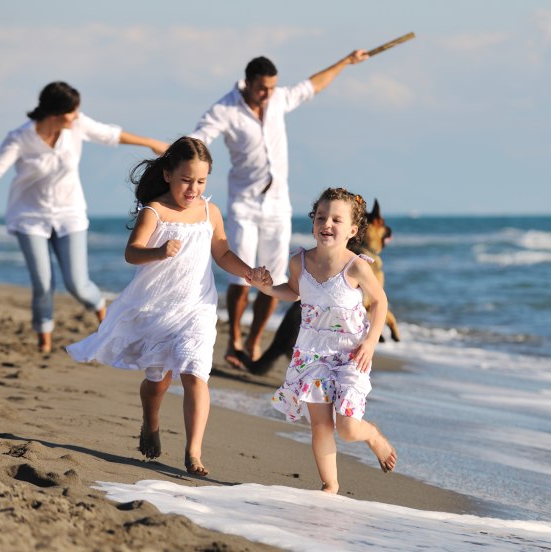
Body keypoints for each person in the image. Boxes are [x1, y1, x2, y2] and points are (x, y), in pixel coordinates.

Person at [67, 137, 261, 477]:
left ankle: (193, 453)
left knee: (195, 373)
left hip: (197, 309)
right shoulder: (154, 211)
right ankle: (150, 421)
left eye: (201, 181)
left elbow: (223, 253)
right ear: (169, 174)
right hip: (157, 308)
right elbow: (132, 252)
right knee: (158, 380)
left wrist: (248, 272)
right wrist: (158, 252)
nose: (193, 188)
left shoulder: (210, 212)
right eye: (186, 180)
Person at [190, 49, 369, 368]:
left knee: (273, 277)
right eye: (261, 88)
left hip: (276, 204)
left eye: (272, 87)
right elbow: (199, 140)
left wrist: (344, 62)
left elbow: (313, 85)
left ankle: (255, 340)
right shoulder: (225, 109)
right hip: (244, 202)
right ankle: (235, 337)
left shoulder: (278, 100)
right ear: (247, 84)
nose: (267, 94)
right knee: (242, 272)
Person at [0, 81, 168, 353]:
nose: (77, 115)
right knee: (43, 282)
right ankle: (44, 341)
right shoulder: (20, 137)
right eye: (72, 111)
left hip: (70, 214)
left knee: (77, 283)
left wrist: (150, 143)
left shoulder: (76, 126)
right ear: (55, 113)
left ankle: (99, 308)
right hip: (30, 217)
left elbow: (110, 134)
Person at [250, 187, 397, 493]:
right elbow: (293, 292)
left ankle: (371, 436)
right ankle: (330, 485)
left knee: (347, 428)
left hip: (351, 353)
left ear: (352, 231)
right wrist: (267, 289)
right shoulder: (299, 262)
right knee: (320, 424)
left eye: (336, 219)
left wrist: (370, 342)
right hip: (312, 352)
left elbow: (380, 302)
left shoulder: (355, 265)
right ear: (313, 222)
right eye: (321, 217)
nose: (326, 223)